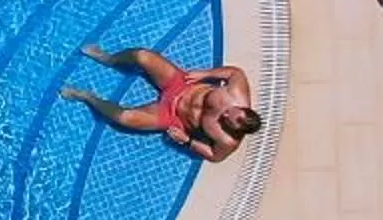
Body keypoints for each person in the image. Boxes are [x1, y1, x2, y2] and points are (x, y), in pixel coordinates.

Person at [59, 45, 261, 163]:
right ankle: (108, 58)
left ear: (235, 130)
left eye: (228, 122)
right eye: (229, 112)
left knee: (124, 118)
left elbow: (215, 156)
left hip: (172, 116)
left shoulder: (227, 141)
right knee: (142, 55)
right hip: (182, 84)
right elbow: (235, 72)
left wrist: (187, 141)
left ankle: (86, 97)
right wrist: (206, 73)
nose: (224, 115)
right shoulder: (236, 93)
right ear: (242, 107)